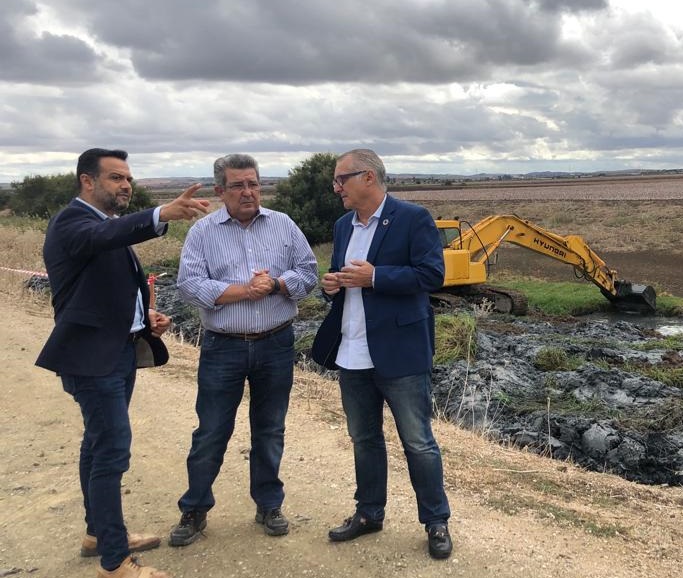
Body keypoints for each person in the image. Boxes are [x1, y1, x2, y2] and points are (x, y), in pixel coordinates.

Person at [36, 147, 210, 578]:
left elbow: (104, 285)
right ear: (87, 181)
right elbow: (100, 242)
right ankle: (115, 562)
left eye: (128, 178)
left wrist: (143, 319)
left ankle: (98, 534)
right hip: (91, 359)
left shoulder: (104, 225)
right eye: (116, 177)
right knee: (111, 450)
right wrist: (161, 213)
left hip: (116, 352)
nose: (126, 185)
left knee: (97, 446)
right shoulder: (72, 224)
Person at [169, 153, 318, 547]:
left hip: (276, 343)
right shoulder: (202, 232)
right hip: (223, 347)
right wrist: (241, 292)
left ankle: (268, 504)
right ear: (220, 191)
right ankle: (195, 508)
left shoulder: (283, 224)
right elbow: (188, 285)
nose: (248, 192)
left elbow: (308, 272)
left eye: (253, 183)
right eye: (238, 185)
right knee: (212, 431)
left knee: (270, 430)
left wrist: (276, 286)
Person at [311, 149, 453, 559]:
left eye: (342, 179)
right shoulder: (342, 226)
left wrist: (375, 277)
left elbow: (432, 275)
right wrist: (331, 285)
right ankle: (369, 513)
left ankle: (436, 521)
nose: (336, 187)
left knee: (418, 443)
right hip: (352, 352)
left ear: (368, 178)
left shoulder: (413, 218)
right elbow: (342, 280)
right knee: (364, 440)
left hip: (400, 353)